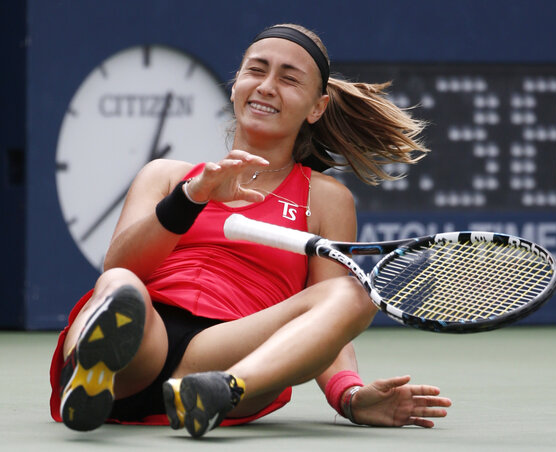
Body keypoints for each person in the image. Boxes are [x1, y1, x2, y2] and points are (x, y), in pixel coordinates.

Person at [50, 23, 451, 438]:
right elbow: (120, 264)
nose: (267, 86)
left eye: (289, 78)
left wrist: (347, 395)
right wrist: (193, 196)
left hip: (228, 350)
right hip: (142, 340)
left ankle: (218, 391)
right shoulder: (168, 177)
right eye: (256, 71)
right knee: (118, 283)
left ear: (317, 108)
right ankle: (90, 371)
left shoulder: (326, 199)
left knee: (354, 291)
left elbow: (327, 321)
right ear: (235, 86)